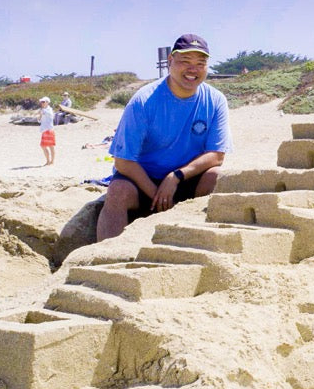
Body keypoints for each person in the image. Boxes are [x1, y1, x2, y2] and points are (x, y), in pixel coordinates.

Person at [96, 33, 233, 241]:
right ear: (170, 61)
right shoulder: (143, 100)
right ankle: (104, 258)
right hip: (143, 180)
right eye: (185, 61)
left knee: (217, 176)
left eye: (200, 63)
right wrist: (157, 194)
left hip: (185, 178)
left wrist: (176, 176)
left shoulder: (215, 100)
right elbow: (123, 161)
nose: (192, 69)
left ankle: (209, 244)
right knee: (117, 191)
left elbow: (216, 155)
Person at [38, 96, 55, 165]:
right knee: (44, 146)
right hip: (44, 130)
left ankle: (51, 161)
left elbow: (49, 116)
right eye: (41, 102)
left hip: (48, 129)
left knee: (50, 146)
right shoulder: (43, 110)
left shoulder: (49, 110)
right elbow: (39, 120)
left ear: (47, 102)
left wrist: (42, 113)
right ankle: (48, 161)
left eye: (43, 102)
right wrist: (40, 115)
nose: (42, 103)